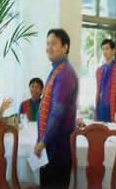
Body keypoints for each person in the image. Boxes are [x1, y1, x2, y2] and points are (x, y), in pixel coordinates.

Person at [34, 29, 78, 188]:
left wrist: (43, 141)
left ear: (65, 47)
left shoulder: (65, 73)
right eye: (47, 43)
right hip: (51, 147)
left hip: (58, 149)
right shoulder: (56, 70)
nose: (48, 48)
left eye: (53, 43)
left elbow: (57, 114)